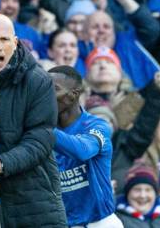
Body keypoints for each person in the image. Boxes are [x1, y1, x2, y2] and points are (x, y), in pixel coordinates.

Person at [0, 14, 68, 227]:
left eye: (4, 40)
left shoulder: (38, 80)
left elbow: (42, 137)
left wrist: (3, 163)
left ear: (15, 43)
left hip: (35, 200)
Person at [49, 65, 121, 228]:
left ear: (73, 94)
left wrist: (43, 130)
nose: (46, 94)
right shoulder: (44, 130)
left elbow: (83, 150)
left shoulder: (97, 126)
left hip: (101, 222)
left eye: (53, 89)